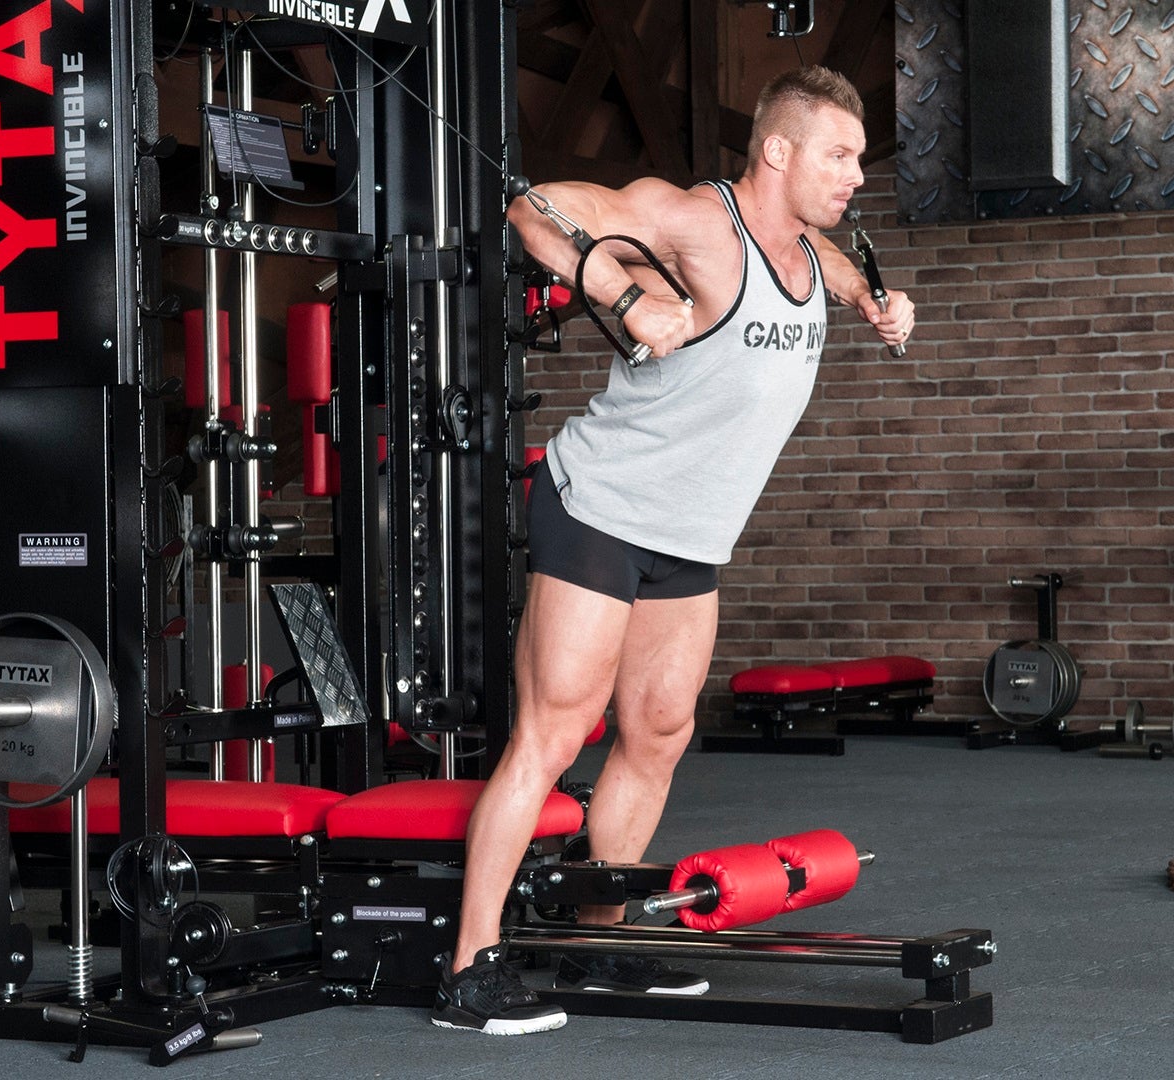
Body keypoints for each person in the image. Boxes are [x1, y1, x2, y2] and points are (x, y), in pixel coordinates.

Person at [429, 65, 916, 1036]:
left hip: (690, 540)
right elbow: (536, 208)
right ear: (777, 151)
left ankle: (596, 940)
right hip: (600, 508)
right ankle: (470, 966)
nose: (856, 174)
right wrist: (622, 293)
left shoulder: (816, 257)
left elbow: (852, 273)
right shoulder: (696, 221)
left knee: (658, 733)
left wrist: (882, 303)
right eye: (840, 155)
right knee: (555, 733)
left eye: (859, 159)